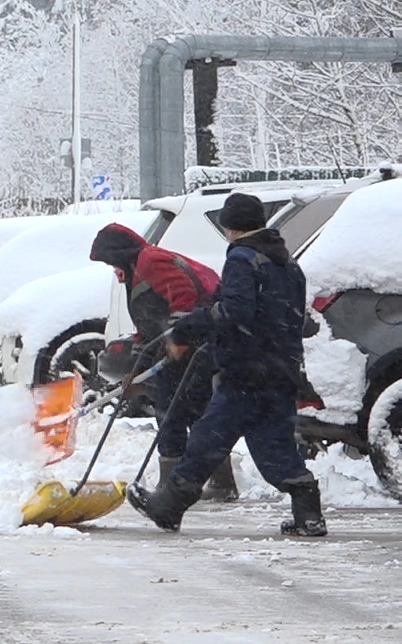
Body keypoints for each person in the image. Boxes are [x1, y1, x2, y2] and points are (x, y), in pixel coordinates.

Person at [128, 193, 326, 536]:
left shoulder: (243, 258)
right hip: (282, 367)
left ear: (229, 225)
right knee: (274, 444)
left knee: (208, 437)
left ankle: (170, 505)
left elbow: (236, 309)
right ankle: (308, 513)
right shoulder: (285, 260)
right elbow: (290, 315)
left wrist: (193, 325)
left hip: (248, 369)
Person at [87, 223, 236, 499]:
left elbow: (186, 296)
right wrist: (136, 370)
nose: (112, 268)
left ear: (119, 253)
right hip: (180, 345)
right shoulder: (139, 265)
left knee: (175, 413)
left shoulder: (150, 262)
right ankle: (210, 481)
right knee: (186, 413)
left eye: (110, 261)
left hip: (192, 346)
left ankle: (177, 487)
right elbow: (149, 325)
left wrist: (180, 338)